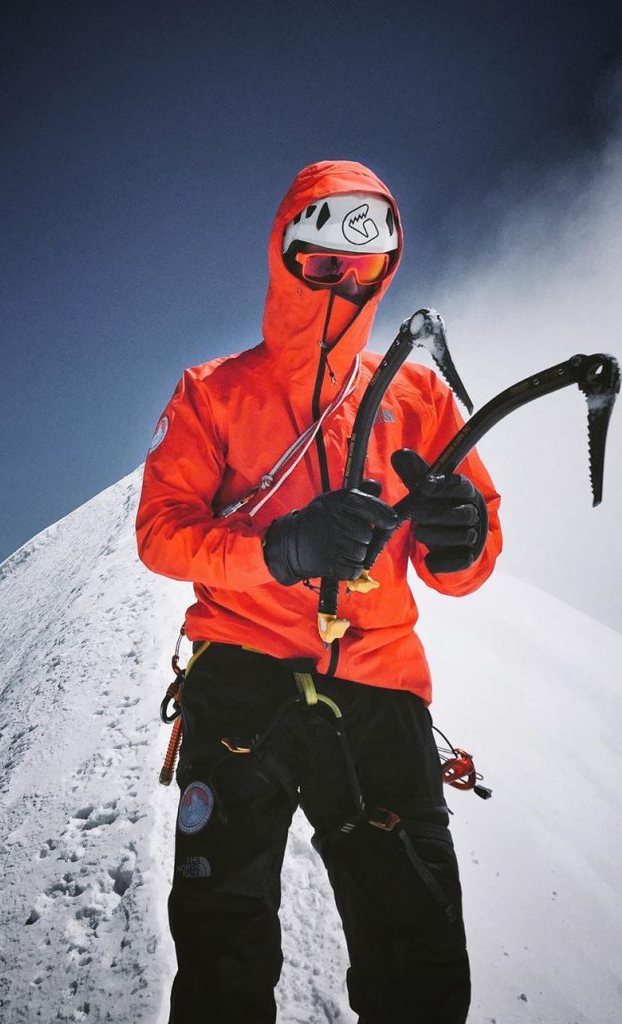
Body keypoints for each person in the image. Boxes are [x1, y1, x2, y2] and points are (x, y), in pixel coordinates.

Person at [136, 159, 502, 1024]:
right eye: (320, 259)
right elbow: (160, 532)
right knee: (222, 942)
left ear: (387, 265)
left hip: (380, 687)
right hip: (241, 681)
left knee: (417, 950)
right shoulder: (214, 391)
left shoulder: (419, 395)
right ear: (285, 254)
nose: (341, 280)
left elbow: (472, 555)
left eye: (361, 263)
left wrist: (462, 541)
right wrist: (282, 548)